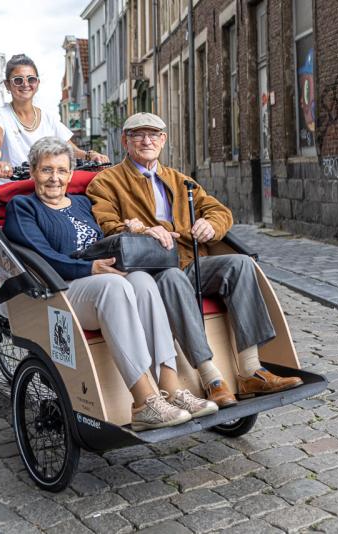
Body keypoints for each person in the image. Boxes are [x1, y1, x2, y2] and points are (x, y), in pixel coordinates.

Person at [87, 112, 303, 407]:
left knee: (240, 264)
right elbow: (106, 225)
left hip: (189, 262)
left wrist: (211, 225)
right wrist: (138, 229)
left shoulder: (181, 180)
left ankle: (251, 370)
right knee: (173, 277)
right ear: (125, 141)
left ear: (163, 140)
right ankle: (211, 378)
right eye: (138, 134)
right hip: (151, 271)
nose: (146, 140)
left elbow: (220, 212)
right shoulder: (106, 182)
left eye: (153, 134)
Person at [4, 136, 217, 430]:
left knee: (143, 281)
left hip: (101, 280)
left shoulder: (82, 203)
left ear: (71, 174)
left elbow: (107, 234)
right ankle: (144, 403)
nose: (55, 178)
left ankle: (172, 388)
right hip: (61, 288)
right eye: (46, 170)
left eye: (62, 170)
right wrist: (90, 268)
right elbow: (41, 256)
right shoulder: (23, 207)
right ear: (32, 172)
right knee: (114, 287)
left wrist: (133, 228)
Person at [0, 54, 108, 184]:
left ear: (37, 83)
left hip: (41, 187)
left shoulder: (48, 118)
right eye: (18, 80)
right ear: (7, 85)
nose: (25, 84)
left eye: (31, 79)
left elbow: (69, 148)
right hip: (8, 189)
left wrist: (90, 155)